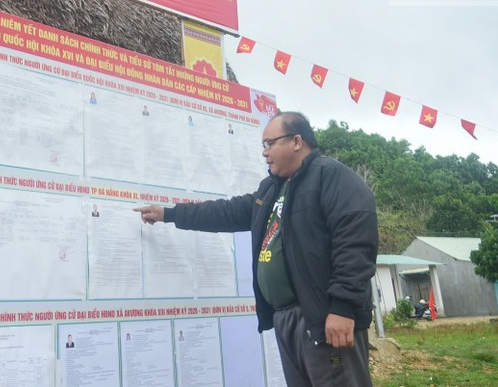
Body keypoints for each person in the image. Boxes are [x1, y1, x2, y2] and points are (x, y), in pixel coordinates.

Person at [134, 111, 378, 387]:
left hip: (323, 317)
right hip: (287, 318)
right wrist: (169, 213)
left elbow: (355, 245)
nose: (265, 152)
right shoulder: (271, 190)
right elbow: (224, 213)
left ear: (296, 141)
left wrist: (343, 307)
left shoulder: (332, 177)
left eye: (269, 143)